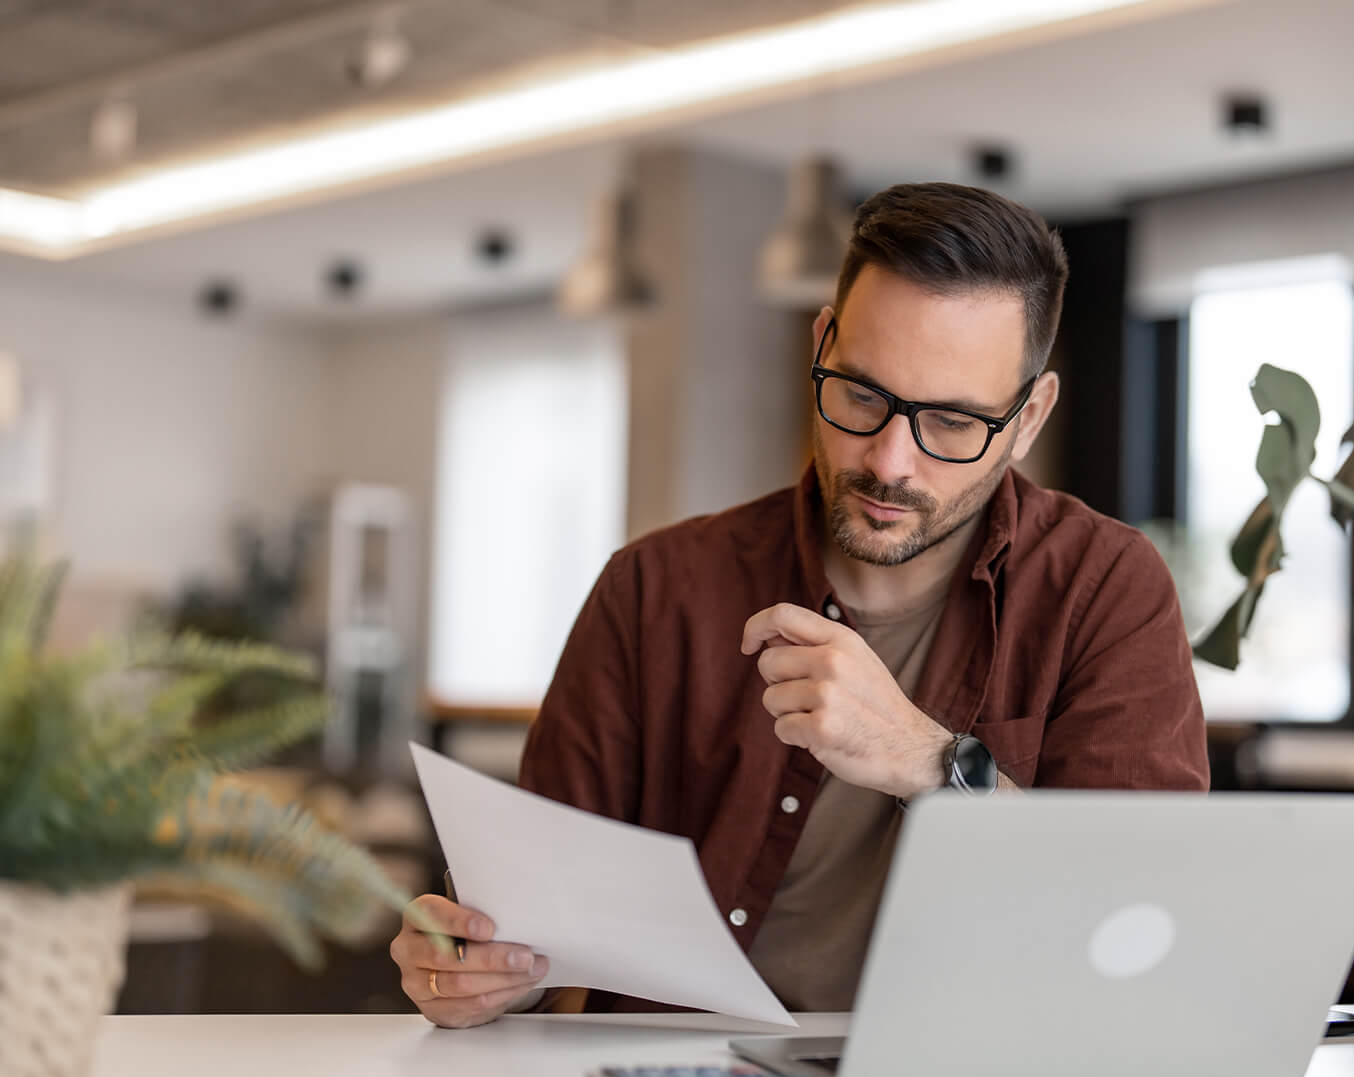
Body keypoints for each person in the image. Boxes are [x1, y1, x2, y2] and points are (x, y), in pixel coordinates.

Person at [390, 182, 1209, 1028]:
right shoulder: (653, 591)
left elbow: (1138, 922)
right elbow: (535, 921)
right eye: (861, 396)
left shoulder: (1105, 589)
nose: (891, 461)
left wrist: (929, 763)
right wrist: (486, 971)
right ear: (822, 343)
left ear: (1029, 416)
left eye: (954, 423)